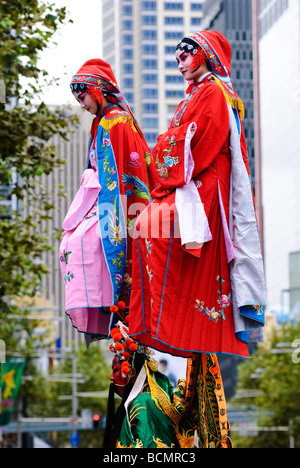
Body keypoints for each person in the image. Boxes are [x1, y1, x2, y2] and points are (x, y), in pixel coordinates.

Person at [128, 31, 266, 359]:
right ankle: (169, 319)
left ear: (202, 53)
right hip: (190, 183)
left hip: (205, 186)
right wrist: (169, 142)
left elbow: (198, 141)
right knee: (144, 226)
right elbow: (175, 138)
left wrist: (167, 144)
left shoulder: (214, 93)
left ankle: (177, 319)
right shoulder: (194, 95)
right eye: (176, 59)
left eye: (183, 57)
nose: (179, 65)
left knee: (149, 228)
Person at [59, 58, 152, 346]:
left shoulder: (115, 123)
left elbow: (114, 180)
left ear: (97, 90)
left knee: (79, 244)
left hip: (117, 207)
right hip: (107, 202)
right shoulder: (108, 122)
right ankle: (104, 299)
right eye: (77, 98)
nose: (81, 103)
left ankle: (107, 297)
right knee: (73, 243)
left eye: (83, 96)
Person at [103, 322, 231, 448]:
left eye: (115, 371)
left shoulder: (143, 402)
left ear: (132, 372)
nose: (112, 377)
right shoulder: (146, 400)